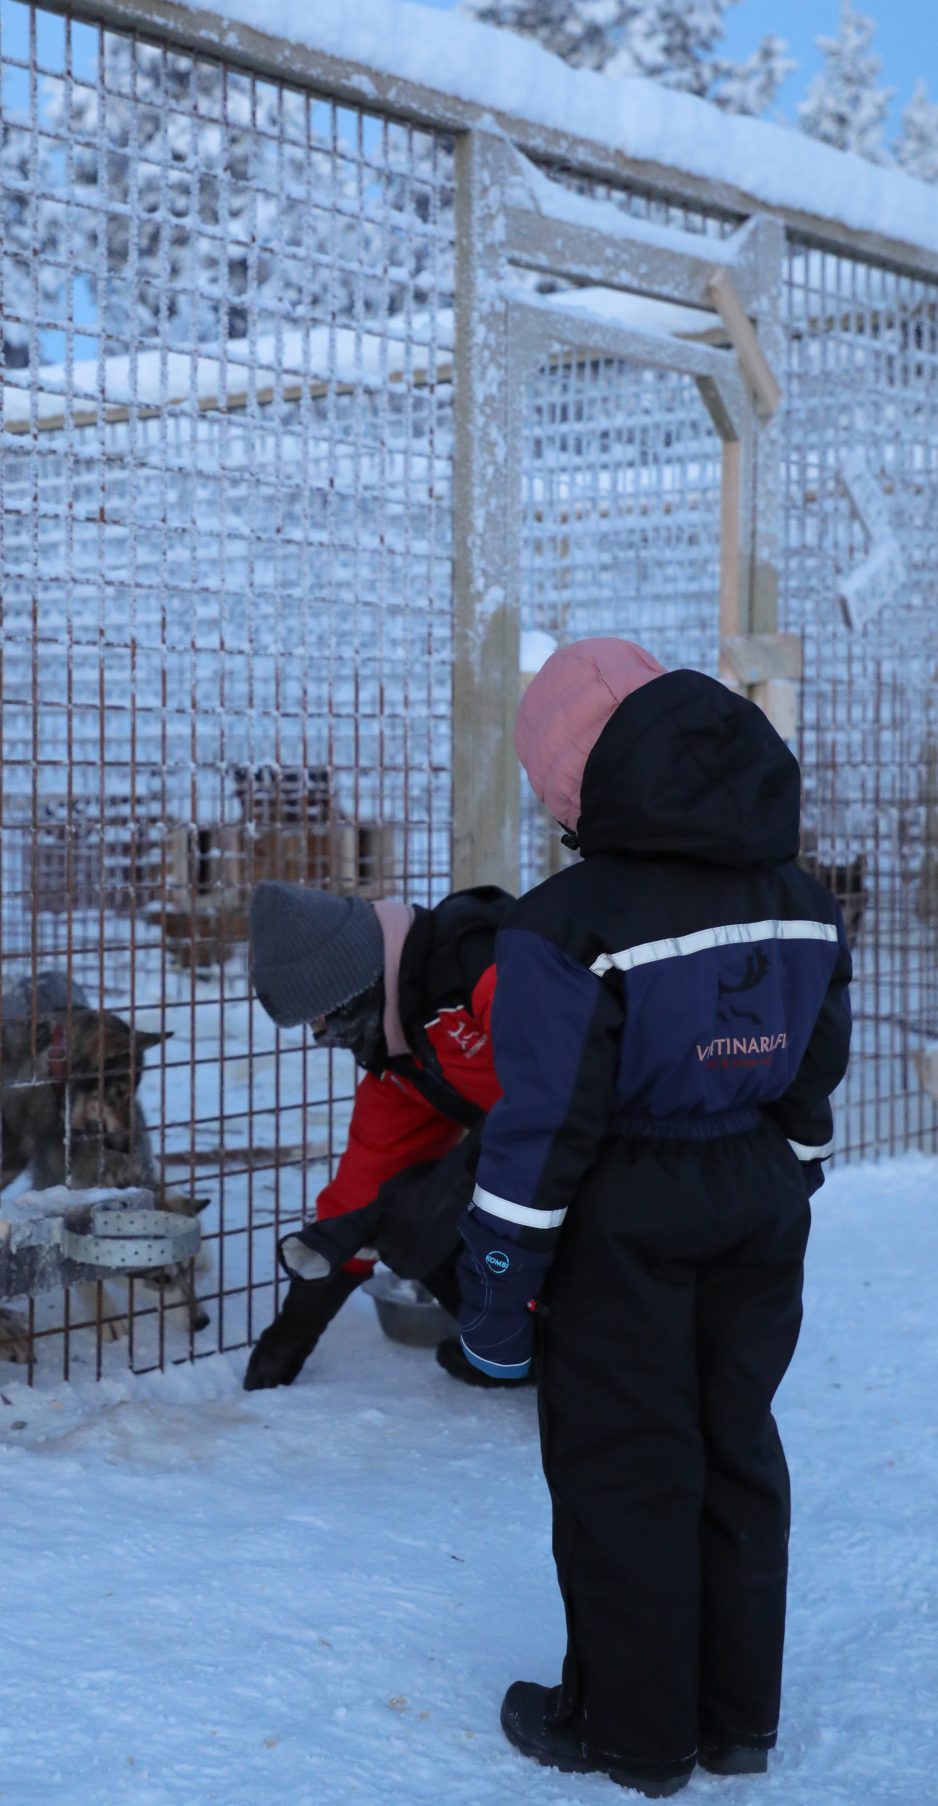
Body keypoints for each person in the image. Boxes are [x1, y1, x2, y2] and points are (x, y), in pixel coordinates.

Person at [454, 639, 851, 1798]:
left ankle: (632, 1731)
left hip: (623, 1213)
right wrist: (790, 1175)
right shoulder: (805, 901)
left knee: (628, 1461)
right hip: (759, 1198)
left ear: (576, 785)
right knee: (736, 1443)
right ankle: (738, 1721)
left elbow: (542, 1134)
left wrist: (495, 1293)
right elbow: (815, 1070)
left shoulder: (564, 923)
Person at [244, 878, 513, 1391]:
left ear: (353, 987)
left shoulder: (481, 961)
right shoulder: (401, 1059)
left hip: (650, 1145)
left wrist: (444, 1192)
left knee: (426, 1210)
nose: (325, 1036)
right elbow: (360, 1195)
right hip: (569, 1155)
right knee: (400, 1216)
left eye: (323, 1020)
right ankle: (522, 1343)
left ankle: (572, 1348)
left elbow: (570, 1085)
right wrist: (289, 1337)